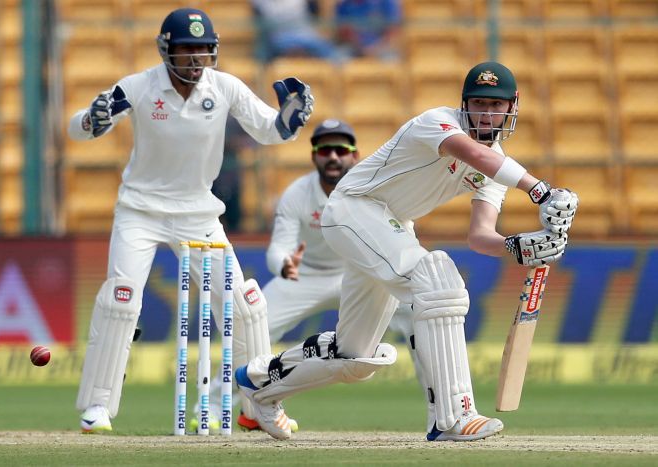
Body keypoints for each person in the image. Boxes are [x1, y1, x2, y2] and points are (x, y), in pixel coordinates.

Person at [235, 61, 579, 441]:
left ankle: (261, 382)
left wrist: (518, 246)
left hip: (388, 226)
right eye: (479, 102)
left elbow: (480, 236)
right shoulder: (437, 123)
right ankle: (453, 417)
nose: (486, 113)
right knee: (437, 281)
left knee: (355, 357)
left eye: (496, 106)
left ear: (512, 107)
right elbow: (477, 156)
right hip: (355, 207)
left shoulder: (497, 168)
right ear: (464, 103)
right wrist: (541, 191)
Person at [67, 7, 313, 433]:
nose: (196, 59)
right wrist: (92, 118)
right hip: (140, 212)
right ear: (167, 51)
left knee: (244, 306)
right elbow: (78, 130)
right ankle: (97, 406)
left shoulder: (225, 87)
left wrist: (289, 121)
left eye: (203, 50)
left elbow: (268, 131)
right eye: (187, 50)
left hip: (199, 212)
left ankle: (259, 408)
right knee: (121, 299)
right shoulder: (141, 86)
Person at [335, 0, 402, 60]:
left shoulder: (387, 2)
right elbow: (342, 33)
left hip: (383, 48)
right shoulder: (344, 5)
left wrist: (376, 48)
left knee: (390, 61)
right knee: (338, 58)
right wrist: (360, 47)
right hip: (354, 48)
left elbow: (393, 31)